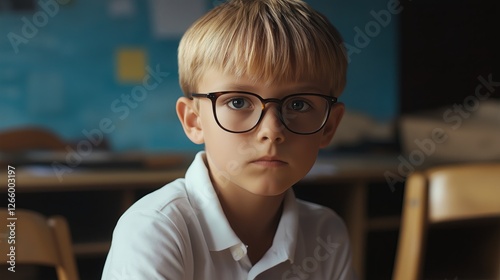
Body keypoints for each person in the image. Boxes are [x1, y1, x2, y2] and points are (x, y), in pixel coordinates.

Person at [102, 0, 355, 279]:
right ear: (193, 120)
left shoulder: (327, 234)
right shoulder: (156, 229)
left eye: (298, 105)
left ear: (329, 126)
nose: (272, 130)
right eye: (237, 101)